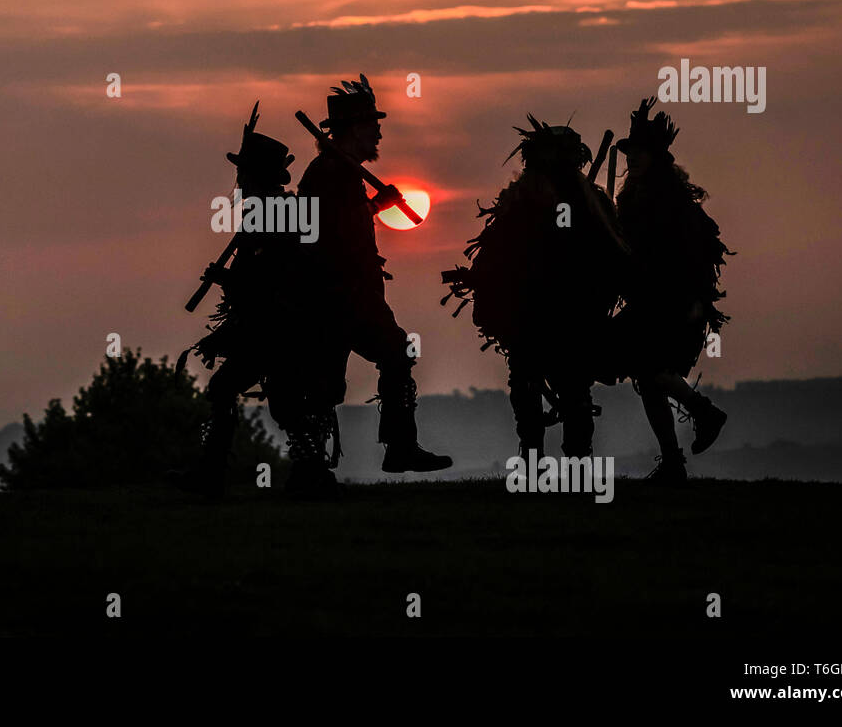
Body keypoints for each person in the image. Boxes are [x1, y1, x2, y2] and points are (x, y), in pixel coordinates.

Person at [292, 75, 452, 496]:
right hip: (337, 297)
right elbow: (327, 232)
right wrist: (374, 206)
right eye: (371, 124)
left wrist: (372, 206)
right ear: (353, 130)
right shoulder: (329, 172)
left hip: (353, 296)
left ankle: (395, 449)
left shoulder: (340, 173)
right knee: (327, 385)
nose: (378, 130)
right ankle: (317, 468)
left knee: (385, 359)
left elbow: (346, 222)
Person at [444, 116, 627, 458]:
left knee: (565, 388)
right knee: (543, 386)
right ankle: (541, 461)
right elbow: (497, 253)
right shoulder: (529, 205)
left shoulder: (580, 205)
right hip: (535, 317)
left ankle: (561, 461)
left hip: (567, 316)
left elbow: (607, 256)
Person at [173, 106, 309, 499]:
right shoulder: (265, 214)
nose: (239, 179)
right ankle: (308, 473)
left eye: (245, 172)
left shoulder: (277, 216)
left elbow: (271, 279)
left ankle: (211, 473)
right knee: (285, 404)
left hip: (276, 326)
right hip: (270, 324)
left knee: (233, 391)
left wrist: (227, 279)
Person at [610, 98, 732, 483]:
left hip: (674, 303)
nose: (632, 160)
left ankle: (703, 412)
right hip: (648, 300)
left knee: (650, 370)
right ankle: (673, 461)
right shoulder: (631, 199)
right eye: (630, 154)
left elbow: (697, 251)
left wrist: (697, 300)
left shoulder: (672, 202)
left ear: (657, 158)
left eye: (640, 153)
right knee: (646, 378)